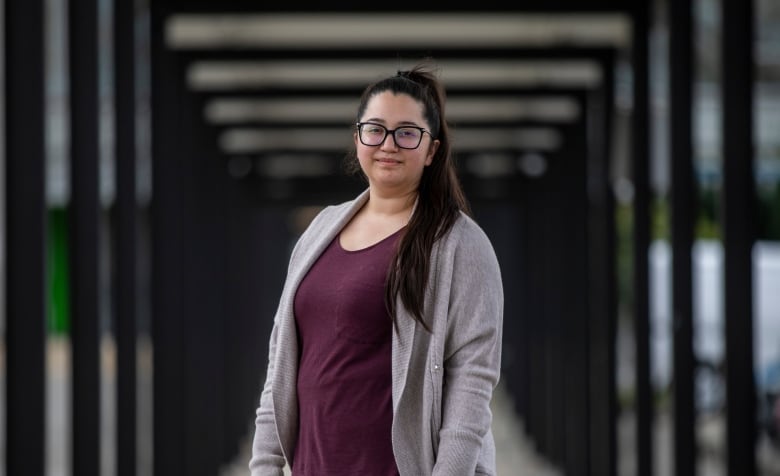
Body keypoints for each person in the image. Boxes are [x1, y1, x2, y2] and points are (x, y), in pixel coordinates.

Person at [248, 59, 504, 476]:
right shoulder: (320, 230)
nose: (389, 144)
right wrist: (264, 465)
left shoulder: (458, 243)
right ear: (357, 138)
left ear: (431, 150)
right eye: (376, 129)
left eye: (407, 133)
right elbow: (280, 363)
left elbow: (472, 379)